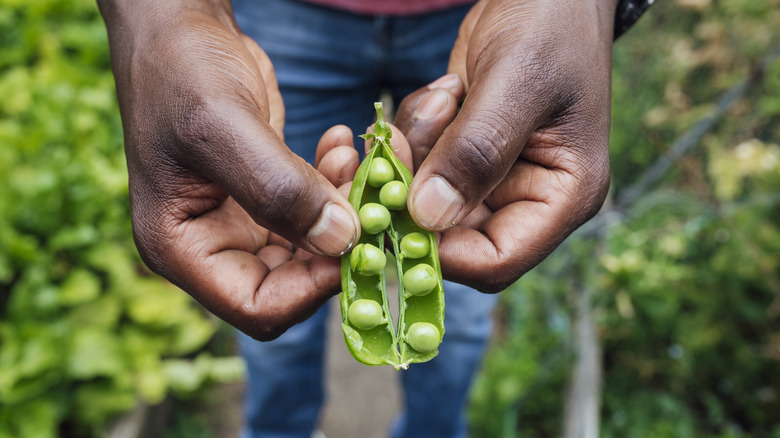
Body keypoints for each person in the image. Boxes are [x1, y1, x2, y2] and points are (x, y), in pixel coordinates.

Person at [97, 0, 652, 436]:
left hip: (488, 15)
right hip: (280, 14)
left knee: (458, 310)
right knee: (272, 260)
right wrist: (157, 13)